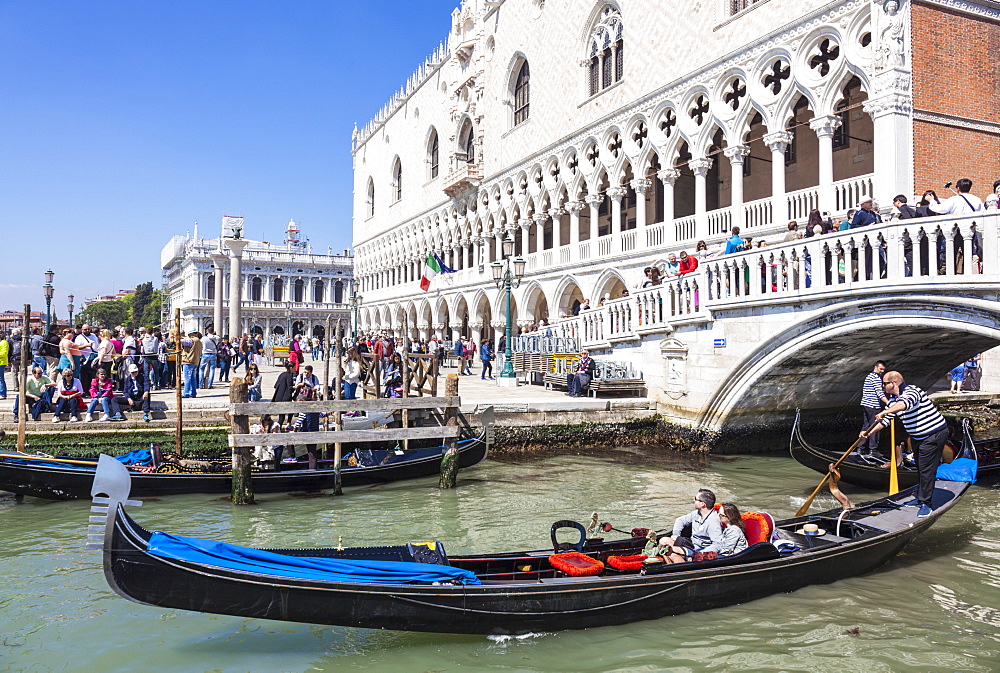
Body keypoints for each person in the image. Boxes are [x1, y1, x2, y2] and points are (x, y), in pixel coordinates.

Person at [860, 371, 949, 517]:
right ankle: (921, 498)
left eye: (884, 384)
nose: (882, 386)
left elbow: (904, 404)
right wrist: (869, 432)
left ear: (893, 384)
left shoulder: (912, 391)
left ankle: (926, 504)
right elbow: (886, 420)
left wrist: (884, 411)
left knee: (927, 469)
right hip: (917, 436)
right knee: (920, 467)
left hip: (934, 434)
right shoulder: (892, 400)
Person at [658, 488, 725, 563]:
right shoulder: (696, 514)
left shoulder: (713, 522)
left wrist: (700, 554)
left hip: (702, 550)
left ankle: (683, 568)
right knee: (663, 541)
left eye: (696, 499)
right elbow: (680, 520)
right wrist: (676, 534)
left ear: (703, 504)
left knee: (668, 551)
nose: (694, 500)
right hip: (692, 544)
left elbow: (718, 544)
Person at [858, 360, 889, 461]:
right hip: (872, 406)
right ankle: (873, 450)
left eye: (883, 370)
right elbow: (880, 394)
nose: (882, 371)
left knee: (866, 426)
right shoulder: (875, 378)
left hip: (865, 404)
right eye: (880, 369)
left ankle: (860, 448)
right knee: (875, 426)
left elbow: (877, 390)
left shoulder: (869, 376)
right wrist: (889, 403)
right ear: (875, 367)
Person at [272, 361, 297, 427]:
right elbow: (290, 389)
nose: (295, 369)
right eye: (294, 367)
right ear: (291, 368)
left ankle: (280, 427)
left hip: (278, 396)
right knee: (291, 410)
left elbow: (276, 385)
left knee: (281, 416)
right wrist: (296, 387)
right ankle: (288, 423)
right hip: (285, 398)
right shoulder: (289, 376)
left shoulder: (282, 374)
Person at [180, 330, 202, 398]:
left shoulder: (192, 341)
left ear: (192, 334)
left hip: (188, 360)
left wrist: (176, 336)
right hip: (195, 361)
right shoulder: (199, 341)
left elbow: (181, 341)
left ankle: (186, 393)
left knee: (187, 378)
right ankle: (193, 393)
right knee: (193, 378)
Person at [0, 331, 7, 400]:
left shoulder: (4, 342)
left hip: (1, 362)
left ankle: (3, 393)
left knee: (1, 378)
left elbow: (4, 353)